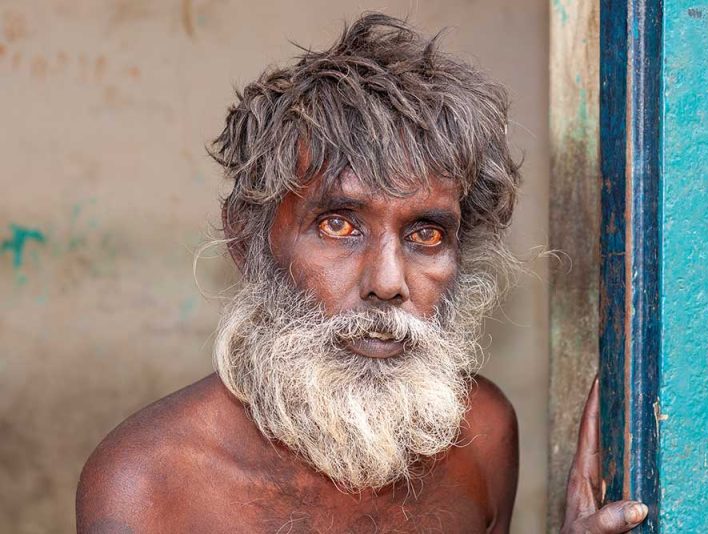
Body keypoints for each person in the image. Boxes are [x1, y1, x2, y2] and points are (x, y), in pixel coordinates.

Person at [76, 14, 647, 533]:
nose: (388, 281)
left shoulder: (484, 435)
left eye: (426, 234)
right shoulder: (148, 484)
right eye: (339, 226)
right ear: (248, 239)